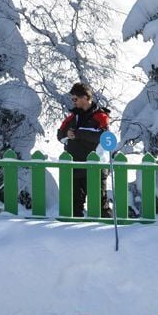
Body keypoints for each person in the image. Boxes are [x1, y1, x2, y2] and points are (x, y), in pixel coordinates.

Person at [57, 82, 111, 218]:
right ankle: (76, 237)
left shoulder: (101, 116)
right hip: (75, 167)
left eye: (75, 99)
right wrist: (66, 135)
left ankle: (105, 234)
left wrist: (79, 133)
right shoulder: (71, 117)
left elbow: (103, 136)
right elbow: (60, 134)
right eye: (72, 99)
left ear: (85, 97)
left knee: (99, 207)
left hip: (95, 168)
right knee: (74, 208)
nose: (73, 102)